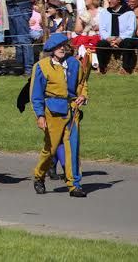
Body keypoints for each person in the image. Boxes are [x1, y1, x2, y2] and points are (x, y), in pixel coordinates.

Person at [30, 33, 90, 198]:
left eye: (64, 45)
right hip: (52, 112)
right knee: (51, 149)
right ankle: (39, 176)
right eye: (58, 46)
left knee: (73, 148)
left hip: (72, 111)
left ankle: (74, 185)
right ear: (51, 49)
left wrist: (83, 96)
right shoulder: (41, 66)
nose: (62, 48)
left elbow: (82, 83)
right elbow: (36, 95)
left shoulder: (74, 64)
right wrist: (40, 115)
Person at [96, 0, 136, 74]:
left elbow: (131, 30)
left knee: (128, 43)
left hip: (123, 39)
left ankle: (126, 69)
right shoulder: (104, 12)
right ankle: (102, 68)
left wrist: (119, 39)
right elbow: (102, 29)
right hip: (109, 39)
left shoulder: (129, 13)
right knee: (100, 44)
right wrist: (108, 39)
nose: (109, 1)